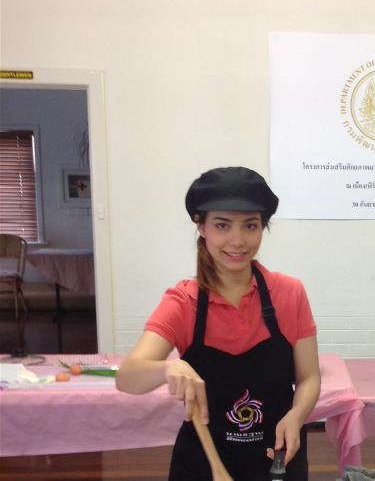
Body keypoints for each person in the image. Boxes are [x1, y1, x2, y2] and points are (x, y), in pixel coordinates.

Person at [116, 166, 320, 480]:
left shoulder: (290, 293)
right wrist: (167, 368)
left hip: (278, 456)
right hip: (202, 464)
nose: (237, 240)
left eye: (250, 226)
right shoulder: (183, 301)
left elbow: (308, 378)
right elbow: (127, 377)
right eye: (222, 225)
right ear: (201, 226)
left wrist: (296, 415)